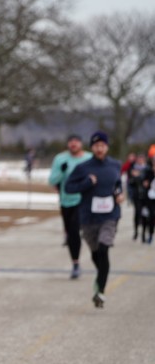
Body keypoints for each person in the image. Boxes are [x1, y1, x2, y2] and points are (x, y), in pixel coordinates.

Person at [65, 131, 124, 308]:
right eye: (96, 146)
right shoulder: (83, 167)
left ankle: (101, 291)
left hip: (110, 216)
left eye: (103, 146)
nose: (100, 149)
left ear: (107, 147)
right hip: (89, 217)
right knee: (96, 252)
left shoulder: (115, 165)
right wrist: (86, 183)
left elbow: (118, 184)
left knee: (104, 248)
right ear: (92, 147)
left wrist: (119, 194)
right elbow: (68, 187)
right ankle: (101, 274)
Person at [48, 134, 91, 279]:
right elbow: (52, 181)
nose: (73, 144)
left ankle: (77, 264)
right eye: (71, 142)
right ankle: (75, 261)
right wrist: (62, 171)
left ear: (81, 144)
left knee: (74, 230)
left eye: (76, 142)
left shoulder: (89, 158)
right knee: (71, 232)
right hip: (66, 201)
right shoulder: (60, 159)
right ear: (67, 144)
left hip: (84, 200)